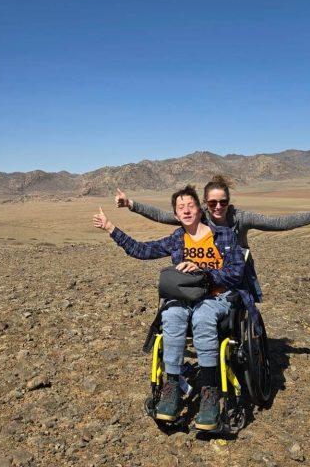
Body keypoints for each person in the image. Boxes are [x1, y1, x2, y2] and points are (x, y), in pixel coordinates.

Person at [93, 185, 247, 431]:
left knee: (203, 318)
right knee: (172, 315)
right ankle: (172, 388)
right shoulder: (177, 238)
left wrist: (205, 274)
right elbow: (141, 250)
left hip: (216, 298)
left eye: (190, 205)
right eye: (180, 207)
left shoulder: (224, 235)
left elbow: (237, 272)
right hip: (184, 297)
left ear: (200, 209)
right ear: (176, 215)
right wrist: (111, 228)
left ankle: (209, 393)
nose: (186, 210)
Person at [115, 175, 310, 305]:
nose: (218, 207)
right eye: (212, 203)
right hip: (200, 276)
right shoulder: (197, 215)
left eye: (223, 202)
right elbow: (163, 215)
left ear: (229, 202)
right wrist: (131, 204)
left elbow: (278, 222)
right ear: (205, 203)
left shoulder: (240, 218)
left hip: (234, 273)